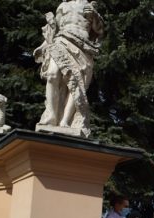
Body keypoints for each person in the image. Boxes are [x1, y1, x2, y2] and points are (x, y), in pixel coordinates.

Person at [34, 0, 104, 132]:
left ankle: (65, 120)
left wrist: (94, 16)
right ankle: (51, 115)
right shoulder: (62, 6)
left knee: (76, 83)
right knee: (52, 75)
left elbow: (99, 31)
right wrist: (43, 45)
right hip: (62, 40)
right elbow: (54, 29)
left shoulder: (90, 6)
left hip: (83, 46)